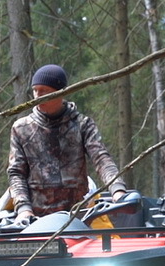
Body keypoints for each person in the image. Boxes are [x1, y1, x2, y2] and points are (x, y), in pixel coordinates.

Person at [7, 64, 128, 229]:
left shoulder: (82, 124)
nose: (37, 95)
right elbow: (16, 173)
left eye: (44, 90)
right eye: (35, 90)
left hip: (81, 217)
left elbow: (101, 158)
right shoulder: (21, 128)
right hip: (36, 220)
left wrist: (117, 189)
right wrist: (23, 209)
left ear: (61, 93)